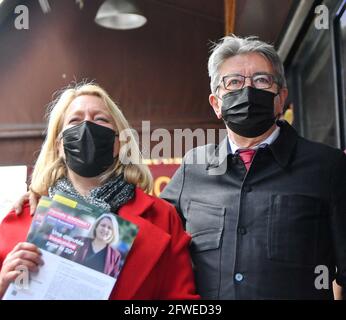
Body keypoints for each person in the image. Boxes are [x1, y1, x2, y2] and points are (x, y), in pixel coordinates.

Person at [160, 35, 346, 299]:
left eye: (261, 80)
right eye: (234, 82)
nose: (248, 90)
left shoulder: (328, 167)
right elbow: (148, 240)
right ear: (216, 104)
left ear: (281, 98)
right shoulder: (193, 169)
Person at [0, 83, 198, 300]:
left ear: (118, 144)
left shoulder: (162, 217)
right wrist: (2, 284)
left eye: (100, 119)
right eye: (75, 120)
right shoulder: (24, 215)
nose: (86, 126)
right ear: (59, 146)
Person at [69, 213, 122, 278]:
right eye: (103, 225)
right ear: (96, 227)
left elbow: (111, 279)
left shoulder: (116, 256)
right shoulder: (77, 241)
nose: (105, 229)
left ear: (113, 233)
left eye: (109, 228)